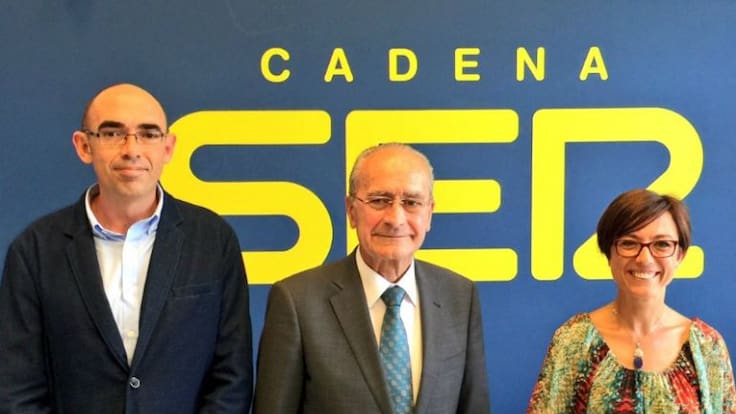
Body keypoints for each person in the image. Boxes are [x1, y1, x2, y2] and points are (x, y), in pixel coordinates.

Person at [0, 83, 253, 413]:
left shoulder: (212, 241)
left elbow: (231, 379)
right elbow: (17, 388)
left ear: (168, 148)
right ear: (84, 146)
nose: (131, 149)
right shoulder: (35, 250)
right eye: (112, 133)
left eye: (148, 134)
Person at [253, 143, 490, 414]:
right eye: (379, 200)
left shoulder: (459, 296)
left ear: (429, 214)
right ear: (351, 211)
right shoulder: (297, 302)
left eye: (412, 202)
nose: (395, 219)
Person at [527, 189, 736, 413]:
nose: (644, 259)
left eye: (662, 244)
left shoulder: (707, 347)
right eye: (629, 243)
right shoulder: (574, 341)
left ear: (680, 255)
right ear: (609, 253)